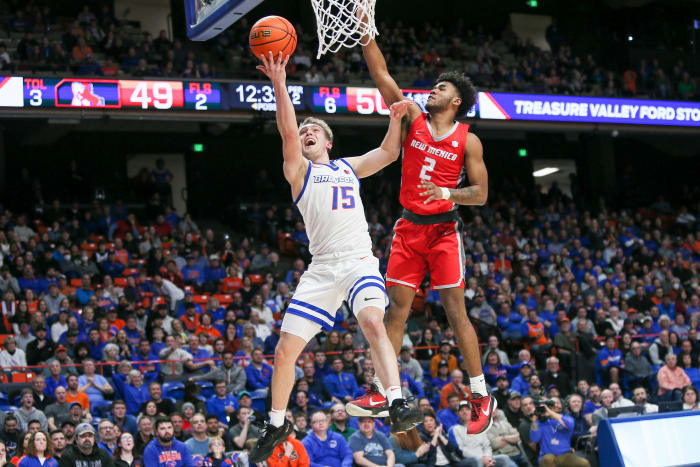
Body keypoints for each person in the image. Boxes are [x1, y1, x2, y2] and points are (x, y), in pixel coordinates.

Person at [249, 52, 421, 462]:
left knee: (374, 323)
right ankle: (276, 425)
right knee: (284, 351)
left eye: (315, 131)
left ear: (328, 142)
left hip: (359, 259)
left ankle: (396, 402)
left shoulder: (347, 167)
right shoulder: (300, 172)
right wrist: (280, 81)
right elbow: (288, 132)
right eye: (304, 130)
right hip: (322, 268)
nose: (306, 132)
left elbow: (387, 154)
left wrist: (395, 118)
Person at [357, 30, 493, 435]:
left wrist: (448, 191)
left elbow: (482, 194)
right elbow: (381, 73)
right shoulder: (413, 116)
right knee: (394, 311)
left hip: (444, 233)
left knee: (455, 312)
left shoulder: (468, 139)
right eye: (434, 86)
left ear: (455, 102)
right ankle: (384, 390)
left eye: (441, 87)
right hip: (409, 229)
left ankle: (480, 394)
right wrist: (366, 33)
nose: (432, 90)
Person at [528, 397, 589, 467]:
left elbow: (570, 424)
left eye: (557, 403)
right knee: (548, 459)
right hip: (547, 455)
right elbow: (534, 439)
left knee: (584, 463)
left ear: (561, 406)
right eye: (552, 404)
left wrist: (550, 413)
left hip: (564, 455)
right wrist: (533, 421)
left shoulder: (567, 418)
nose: (555, 405)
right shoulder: (541, 422)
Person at [448, 401, 512, 467]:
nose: (465, 412)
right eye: (461, 410)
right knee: (477, 460)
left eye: (467, 409)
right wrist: (482, 458)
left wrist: (488, 458)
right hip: (468, 460)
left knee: (504, 458)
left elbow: (487, 446)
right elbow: (460, 451)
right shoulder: (454, 429)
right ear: (458, 414)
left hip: (484, 458)